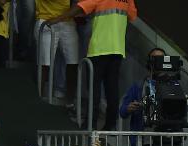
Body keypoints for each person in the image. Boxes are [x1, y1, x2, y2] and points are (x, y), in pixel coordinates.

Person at [47, 0, 136, 129]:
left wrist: (58, 18)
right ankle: (110, 126)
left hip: (99, 49)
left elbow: (80, 8)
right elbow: (132, 16)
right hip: (117, 49)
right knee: (112, 90)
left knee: (93, 90)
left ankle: (90, 124)